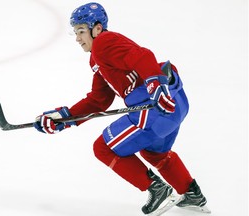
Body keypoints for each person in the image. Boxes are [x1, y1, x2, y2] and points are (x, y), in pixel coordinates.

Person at [33, 2, 210, 215]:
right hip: (172, 105)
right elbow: (99, 100)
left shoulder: (104, 42)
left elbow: (143, 56)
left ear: (97, 29)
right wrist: (64, 117)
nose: (78, 38)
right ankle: (191, 194)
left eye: (81, 31)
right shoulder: (98, 58)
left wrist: (155, 84)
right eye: (76, 32)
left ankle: (159, 191)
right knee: (154, 153)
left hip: (154, 106)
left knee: (103, 148)